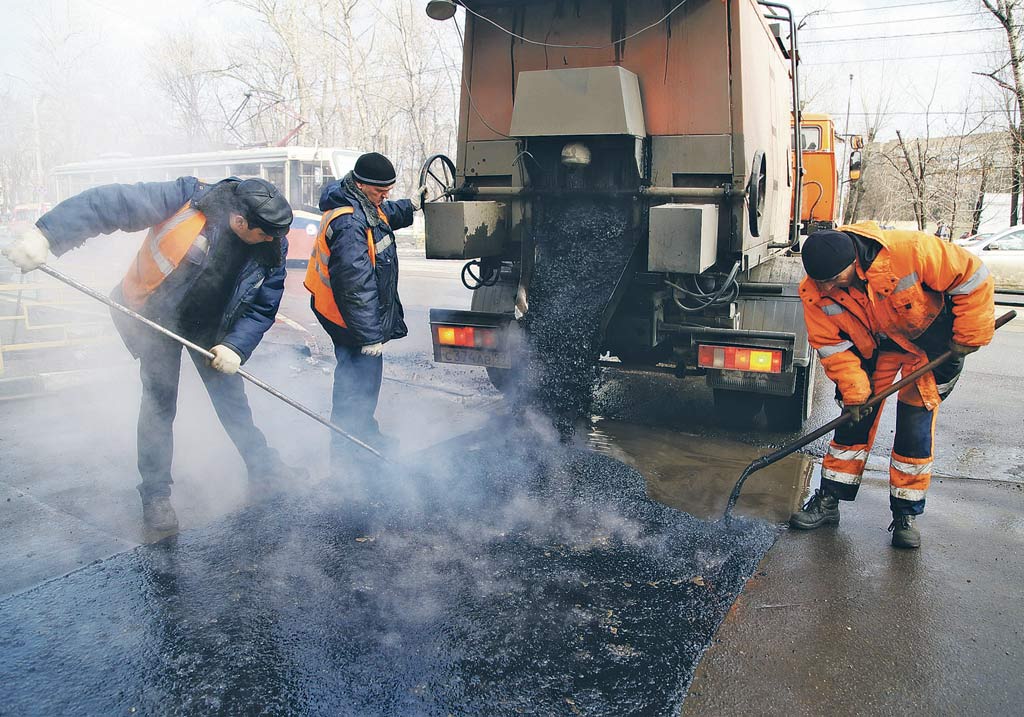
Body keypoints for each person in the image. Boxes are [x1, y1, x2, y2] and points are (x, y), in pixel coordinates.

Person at [1, 177, 301, 532]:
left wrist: (235, 346)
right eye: (266, 234)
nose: (274, 242)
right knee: (160, 405)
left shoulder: (271, 244)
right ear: (240, 221)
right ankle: (156, 496)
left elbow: (263, 307)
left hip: (212, 330)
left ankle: (265, 470)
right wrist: (47, 234)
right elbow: (112, 202)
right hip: (157, 317)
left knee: (233, 403)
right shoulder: (186, 199)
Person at [789, 222, 994, 549]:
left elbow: (973, 276)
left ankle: (905, 514)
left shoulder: (907, 252)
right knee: (854, 421)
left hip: (931, 346)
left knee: (915, 427)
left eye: (833, 281)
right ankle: (829, 500)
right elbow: (832, 347)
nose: (827, 289)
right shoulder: (814, 292)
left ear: (853, 264)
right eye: (821, 283)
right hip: (875, 351)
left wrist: (969, 334)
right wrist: (855, 393)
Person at [304, 152, 424, 472]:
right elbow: (356, 287)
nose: (385, 197)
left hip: (346, 314)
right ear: (360, 184)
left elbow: (382, 215)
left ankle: (363, 436)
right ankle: (348, 456)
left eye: (390, 190)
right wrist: (369, 336)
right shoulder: (349, 224)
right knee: (356, 385)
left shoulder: (361, 203)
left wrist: (410, 205)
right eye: (380, 191)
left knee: (363, 383)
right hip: (345, 317)